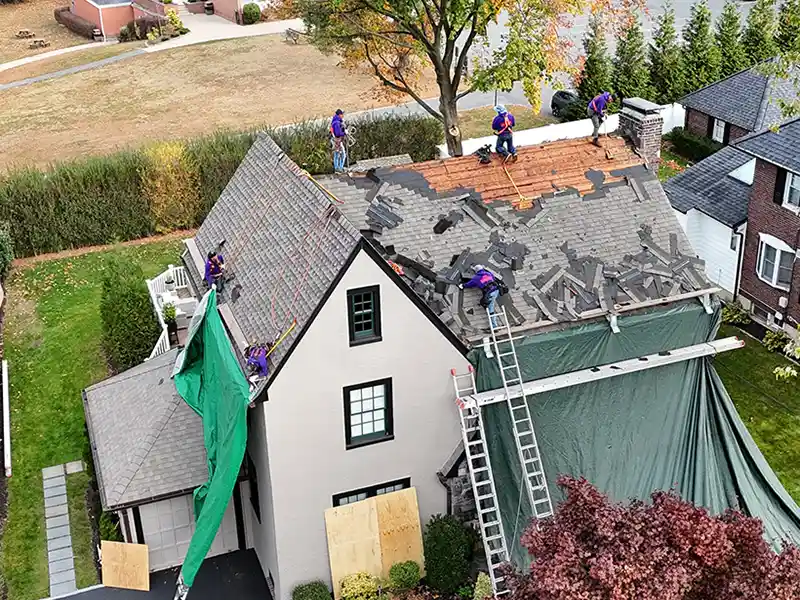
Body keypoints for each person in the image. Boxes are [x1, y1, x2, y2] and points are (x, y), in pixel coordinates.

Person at [330, 109, 347, 173]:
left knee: (336, 154)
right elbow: (337, 133)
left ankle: (337, 168)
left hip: (335, 141)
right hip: (337, 141)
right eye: (342, 114)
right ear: (339, 115)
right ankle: (339, 168)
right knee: (342, 154)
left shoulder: (335, 121)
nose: (343, 116)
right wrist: (344, 133)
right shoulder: (337, 123)